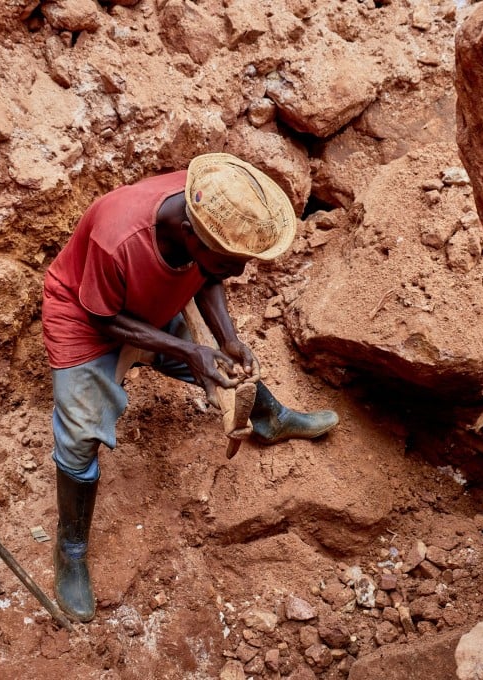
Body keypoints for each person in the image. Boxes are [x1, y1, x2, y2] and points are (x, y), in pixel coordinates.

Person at [41, 153, 339, 622]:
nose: (238, 273)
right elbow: (102, 315)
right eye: (231, 262)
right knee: (79, 434)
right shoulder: (116, 235)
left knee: (223, 368)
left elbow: (207, 274)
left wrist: (227, 339)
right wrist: (189, 351)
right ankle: (71, 547)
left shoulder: (211, 204)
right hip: (86, 315)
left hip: (149, 303)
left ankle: (269, 419)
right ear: (188, 234)